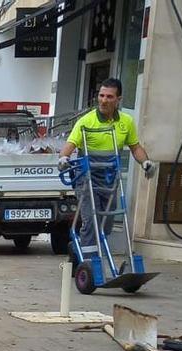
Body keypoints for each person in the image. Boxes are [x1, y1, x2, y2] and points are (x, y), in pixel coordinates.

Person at [58, 78, 155, 259]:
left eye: (109, 96)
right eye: (101, 95)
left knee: (107, 222)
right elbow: (69, 145)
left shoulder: (126, 122)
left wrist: (146, 163)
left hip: (110, 178)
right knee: (92, 220)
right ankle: (89, 261)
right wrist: (64, 158)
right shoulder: (86, 121)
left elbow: (135, 147)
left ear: (118, 99)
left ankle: (81, 250)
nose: (103, 100)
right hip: (87, 177)